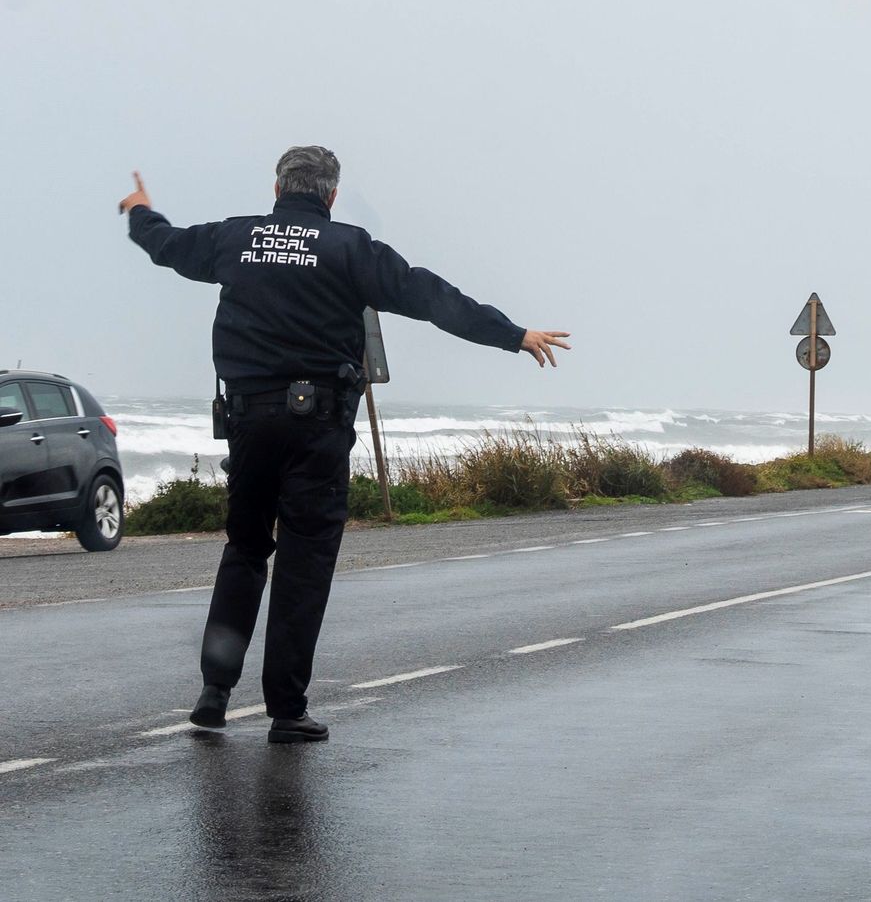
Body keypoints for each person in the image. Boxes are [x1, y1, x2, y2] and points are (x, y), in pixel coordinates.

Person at [119, 146, 570, 743]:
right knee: (304, 563)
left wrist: (141, 211)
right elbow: (432, 297)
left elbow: (167, 246)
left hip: (249, 422)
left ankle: (214, 693)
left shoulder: (235, 239)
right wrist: (513, 335)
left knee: (247, 548)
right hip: (317, 427)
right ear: (330, 195)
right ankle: (285, 710)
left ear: (277, 188)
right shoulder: (350, 248)